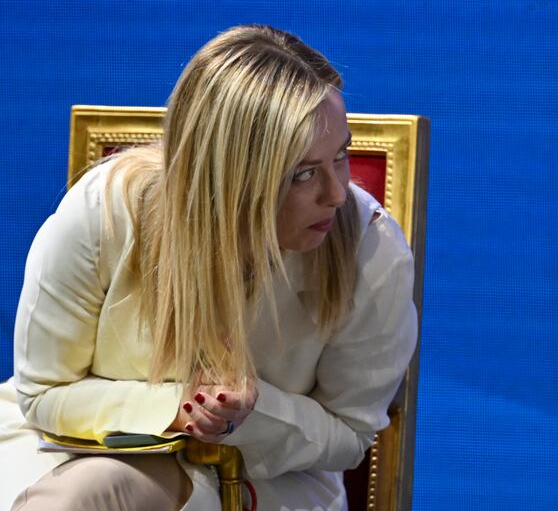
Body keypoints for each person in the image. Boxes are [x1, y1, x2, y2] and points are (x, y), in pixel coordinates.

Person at [0, 26, 418, 510]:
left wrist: (251, 410)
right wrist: (178, 406)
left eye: (341, 155)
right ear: (232, 177)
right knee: (85, 491)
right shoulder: (104, 211)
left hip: (269, 481)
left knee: (90, 497)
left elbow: (350, 435)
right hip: (62, 452)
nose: (337, 193)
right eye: (303, 174)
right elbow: (42, 396)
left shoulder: (372, 249)